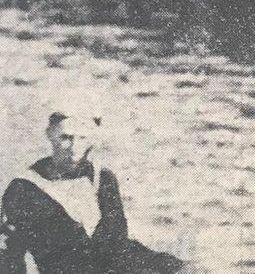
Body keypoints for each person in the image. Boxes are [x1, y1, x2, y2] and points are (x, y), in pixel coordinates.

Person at [0, 104, 185, 274]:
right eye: (66, 138)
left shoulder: (103, 179)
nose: (74, 147)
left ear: (92, 139)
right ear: (50, 134)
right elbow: (9, 256)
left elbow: (118, 242)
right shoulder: (23, 189)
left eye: (82, 137)